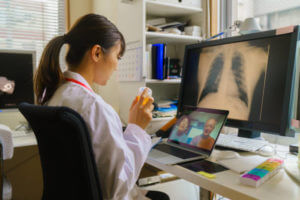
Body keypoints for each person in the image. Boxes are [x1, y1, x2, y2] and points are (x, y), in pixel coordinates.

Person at [34, 14, 169, 200]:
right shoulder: (94, 107)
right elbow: (116, 189)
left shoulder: (54, 94)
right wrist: (136, 128)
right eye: (117, 56)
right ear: (97, 53)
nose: (116, 67)